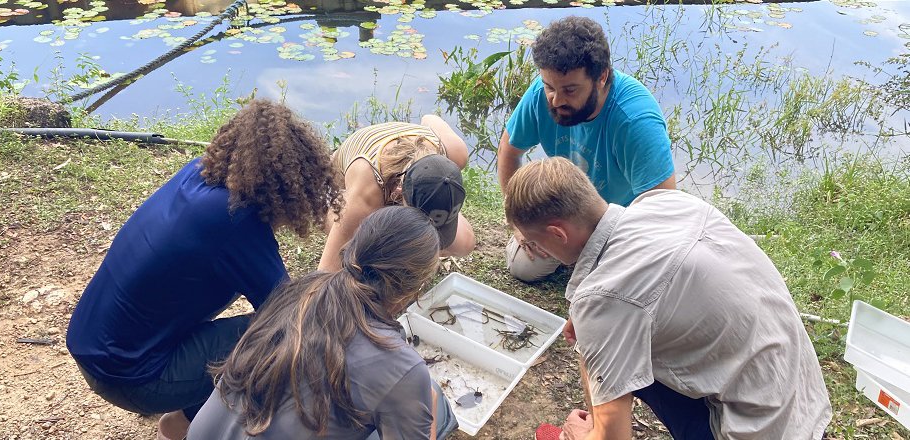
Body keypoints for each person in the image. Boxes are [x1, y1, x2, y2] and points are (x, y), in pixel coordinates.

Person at [65, 100, 344, 440]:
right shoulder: (236, 221)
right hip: (128, 376)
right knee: (279, 339)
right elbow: (291, 314)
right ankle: (181, 423)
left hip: (91, 340)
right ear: (288, 184)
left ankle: (181, 397)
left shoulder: (198, 174)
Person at [504, 158, 831, 440]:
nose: (537, 251)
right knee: (603, 344)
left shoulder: (602, 298)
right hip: (802, 396)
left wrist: (588, 434)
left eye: (535, 243)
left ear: (558, 234)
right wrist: (594, 327)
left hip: (758, 427)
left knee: (601, 360)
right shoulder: (662, 203)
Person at [188, 206, 458, 439]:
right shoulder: (401, 366)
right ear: (413, 290)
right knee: (436, 407)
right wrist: (421, 400)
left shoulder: (302, 290)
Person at [497, 16, 676, 282]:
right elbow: (509, 151)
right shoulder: (543, 93)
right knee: (524, 267)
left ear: (601, 77)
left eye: (570, 90)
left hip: (622, 226)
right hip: (567, 210)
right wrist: (521, 223)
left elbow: (664, 211)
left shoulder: (635, 120)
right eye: (549, 87)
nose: (556, 100)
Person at [318, 116, 475, 272]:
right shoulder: (368, 192)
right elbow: (326, 271)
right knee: (359, 248)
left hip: (401, 174)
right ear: (399, 192)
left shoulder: (455, 152)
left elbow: (429, 118)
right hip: (336, 181)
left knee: (465, 243)